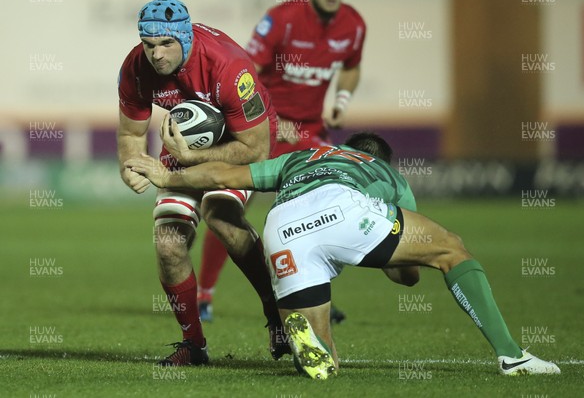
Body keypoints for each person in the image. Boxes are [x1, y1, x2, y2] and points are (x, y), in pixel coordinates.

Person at [126, 132, 561, 379]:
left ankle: (303, 336)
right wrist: (380, 255)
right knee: (451, 250)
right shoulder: (385, 173)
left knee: (326, 363)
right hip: (342, 209)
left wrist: (168, 174)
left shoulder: (303, 156)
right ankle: (512, 356)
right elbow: (408, 275)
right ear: (381, 159)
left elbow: (226, 174)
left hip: (283, 229)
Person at [117, 0, 291, 366]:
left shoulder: (228, 66)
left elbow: (256, 149)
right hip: (184, 145)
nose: (156, 55)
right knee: (167, 243)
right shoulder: (135, 68)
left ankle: (275, 314)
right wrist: (129, 167)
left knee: (220, 214)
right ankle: (194, 346)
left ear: (185, 36)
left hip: (241, 141)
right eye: (149, 45)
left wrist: (190, 158)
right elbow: (130, 136)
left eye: (166, 44)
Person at [197, 0, 366, 324]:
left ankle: (311, 294)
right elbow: (245, 72)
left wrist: (341, 100)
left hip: (309, 133)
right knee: (226, 205)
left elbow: (351, 66)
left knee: (327, 206)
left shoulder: (353, 25)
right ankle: (204, 294)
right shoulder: (281, 20)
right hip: (263, 128)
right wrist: (269, 120)